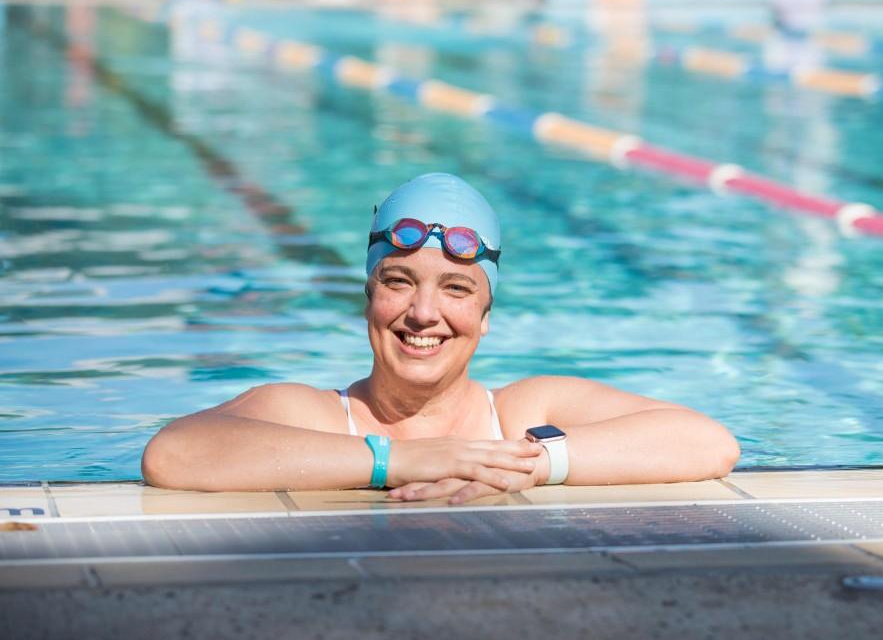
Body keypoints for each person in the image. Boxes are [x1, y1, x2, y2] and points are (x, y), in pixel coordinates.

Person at [142, 173, 739, 503]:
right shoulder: (320, 416)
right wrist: (396, 461)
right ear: (368, 299)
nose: (423, 313)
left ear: (485, 315)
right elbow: (173, 453)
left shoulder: (521, 414)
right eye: (399, 282)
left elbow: (707, 441)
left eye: (456, 290)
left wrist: (529, 465)